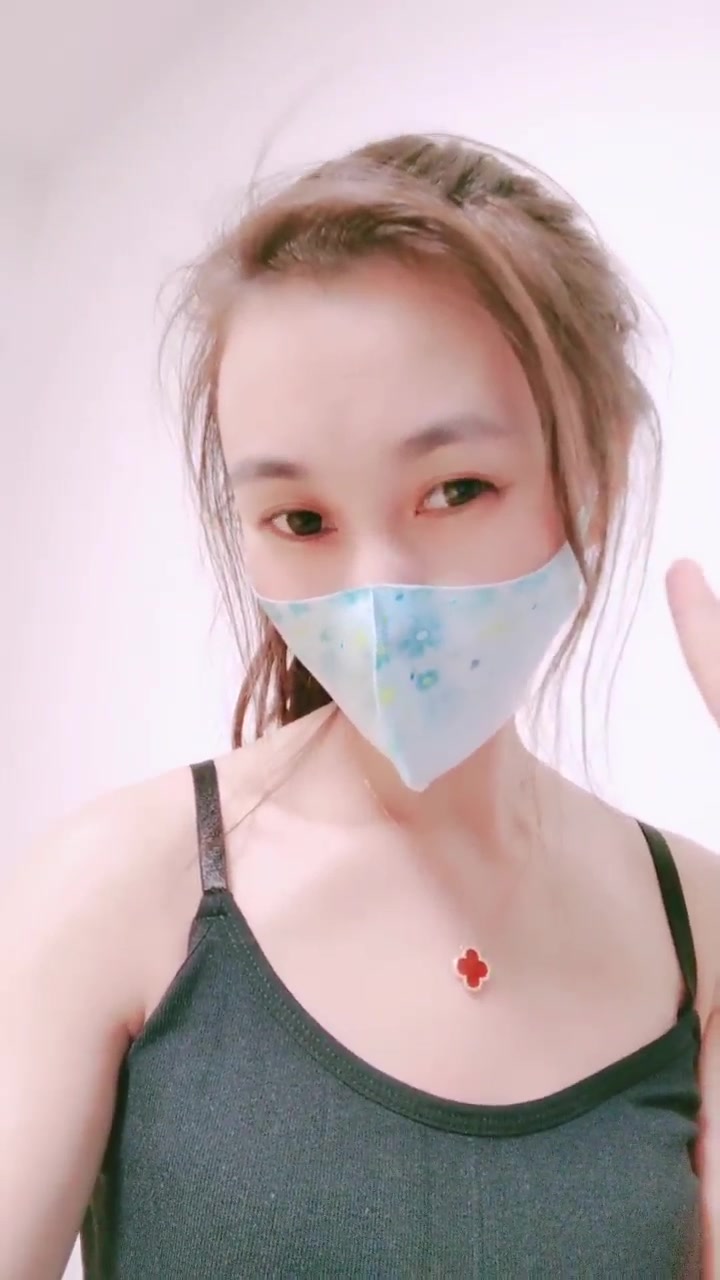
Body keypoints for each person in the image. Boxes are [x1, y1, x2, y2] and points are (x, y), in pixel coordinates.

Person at [2, 134, 719, 1280]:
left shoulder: (698, 929)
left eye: (455, 489)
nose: (380, 592)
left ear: (598, 468)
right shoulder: (115, 894)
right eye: (301, 519)